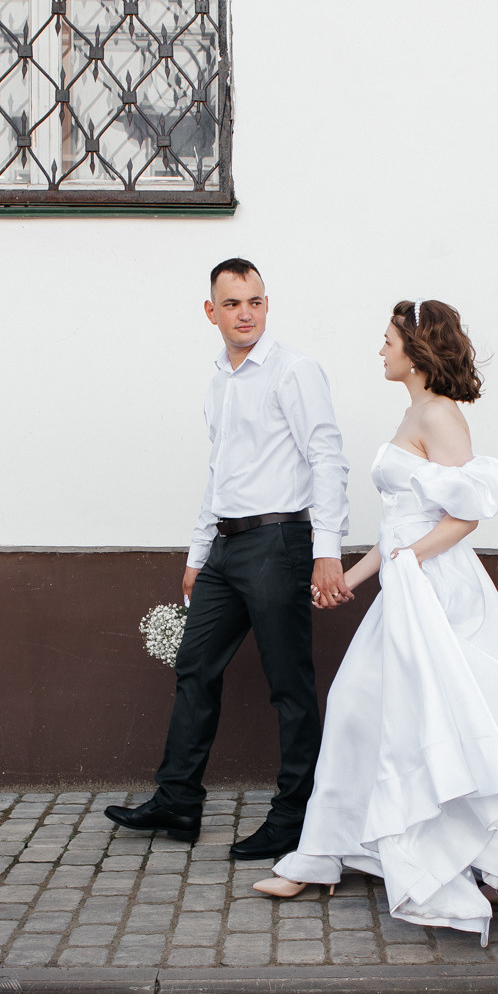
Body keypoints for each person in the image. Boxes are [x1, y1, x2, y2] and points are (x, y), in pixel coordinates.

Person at [253, 299, 498, 944]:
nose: (380, 351)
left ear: (414, 349)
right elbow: (398, 526)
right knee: (363, 706)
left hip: (438, 590)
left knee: (469, 716)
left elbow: (466, 515)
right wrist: (347, 580)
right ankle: (326, 852)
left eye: (387, 341)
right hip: (408, 581)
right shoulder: (412, 412)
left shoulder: (439, 415)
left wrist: (410, 560)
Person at [105, 258, 353, 859]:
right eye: (233, 303)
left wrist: (326, 551)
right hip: (225, 547)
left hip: (279, 543)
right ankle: (178, 800)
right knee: (195, 668)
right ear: (210, 311)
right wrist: (198, 553)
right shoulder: (219, 380)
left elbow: (327, 459)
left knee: (289, 685)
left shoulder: (294, 371)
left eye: (256, 301)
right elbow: (219, 473)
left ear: (267, 305)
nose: (246, 314)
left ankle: (296, 816)